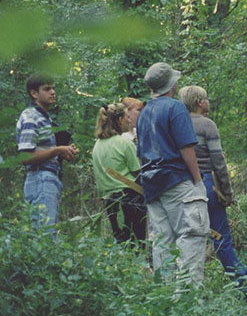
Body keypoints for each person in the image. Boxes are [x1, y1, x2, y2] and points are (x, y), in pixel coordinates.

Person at [137, 63, 210, 284]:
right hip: (177, 182)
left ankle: (165, 297)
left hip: (152, 187)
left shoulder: (144, 111)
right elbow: (186, 148)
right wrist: (198, 181)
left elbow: (141, 152)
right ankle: (187, 300)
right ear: (172, 84)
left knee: (162, 243)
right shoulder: (175, 108)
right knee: (191, 237)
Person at [179, 85, 247, 291]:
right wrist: (228, 193)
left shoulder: (176, 124)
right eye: (207, 99)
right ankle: (245, 286)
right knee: (221, 238)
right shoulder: (207, 126)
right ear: (199, 102)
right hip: (207, 184)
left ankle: (186, 286)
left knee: (187, 237)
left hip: (182, 186)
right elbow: (218, 162)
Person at [16, 73, 79, 229]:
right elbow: (25, 156)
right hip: (40, 178)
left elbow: (43, 151)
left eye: (53, 88)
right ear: (34, 93)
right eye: (47, 89)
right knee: (44, 235)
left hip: (49, 178)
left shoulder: (44, 118)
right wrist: (57, 150)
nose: (53, 92)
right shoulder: (31, 116)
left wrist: (64, 151)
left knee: (46, 233)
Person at [91, 102, 147, 249]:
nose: (130, 121)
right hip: (130, 197)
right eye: (127, 117)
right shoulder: (124, 143)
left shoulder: (97, 145)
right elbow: (137, 172)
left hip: (109, 200)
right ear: (120, 120)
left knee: (121, 240)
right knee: (137, 242)